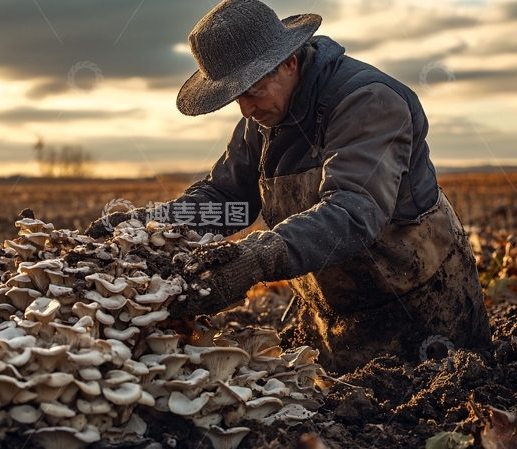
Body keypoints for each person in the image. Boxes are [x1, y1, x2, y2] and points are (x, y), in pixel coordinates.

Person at [86, 0, 492, 373]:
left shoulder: (368, 101)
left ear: (291, 62)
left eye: (253, 92)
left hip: (421, 304)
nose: (246, 109)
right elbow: (228, 201)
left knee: (417, 411)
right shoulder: (261, 122)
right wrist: (151, 227)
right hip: (334, 308)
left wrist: (258, 258)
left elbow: (353, 212)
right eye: (235, 98)